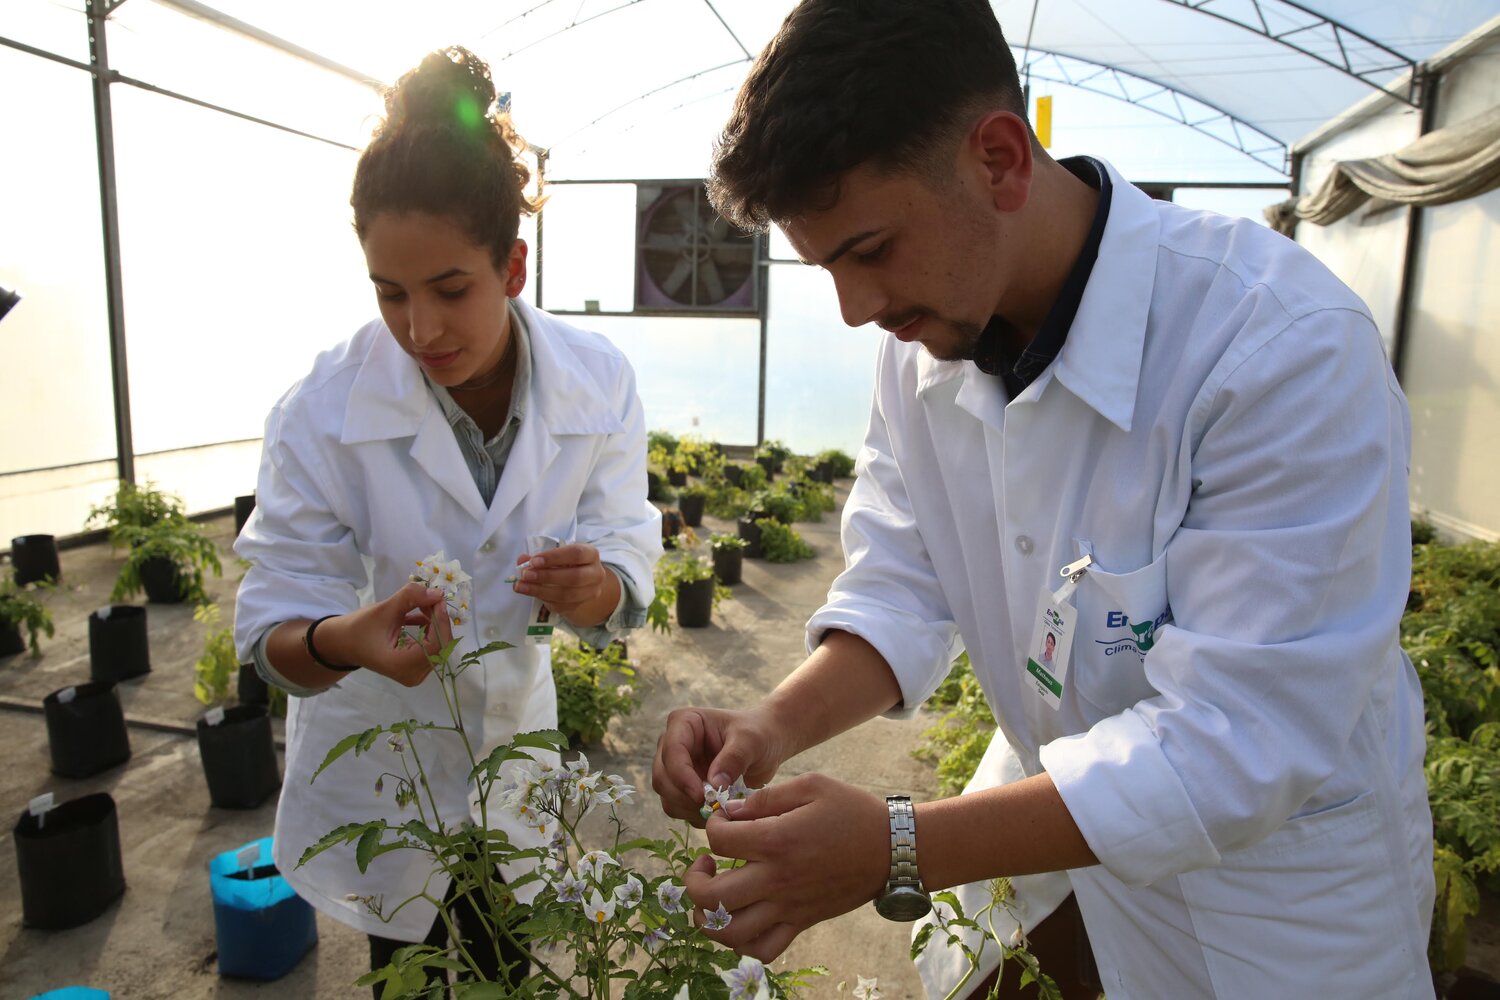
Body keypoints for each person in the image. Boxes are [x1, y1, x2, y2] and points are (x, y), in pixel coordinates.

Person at [651, 2, 1434, 997]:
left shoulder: (1275, 345)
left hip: (1269, 908)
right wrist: (769, 725)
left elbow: (1236, 738)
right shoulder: (925, 348)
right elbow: (905, 582)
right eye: (828, 268)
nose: (856, 310)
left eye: (872, 248)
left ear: (1000, 158)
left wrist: (895, 846)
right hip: (1054, 835)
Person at [234, 46, 661, 993]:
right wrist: (350, 638)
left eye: (450, 289)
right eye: (391, 293)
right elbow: (270, 630)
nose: (421, 329)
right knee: (412, 967)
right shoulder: (322, 410)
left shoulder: (599, 382)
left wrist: (601, 589)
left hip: (511, 745)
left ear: (511, 265)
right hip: (384, 764)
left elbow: (628, 547)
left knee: (512, 961)